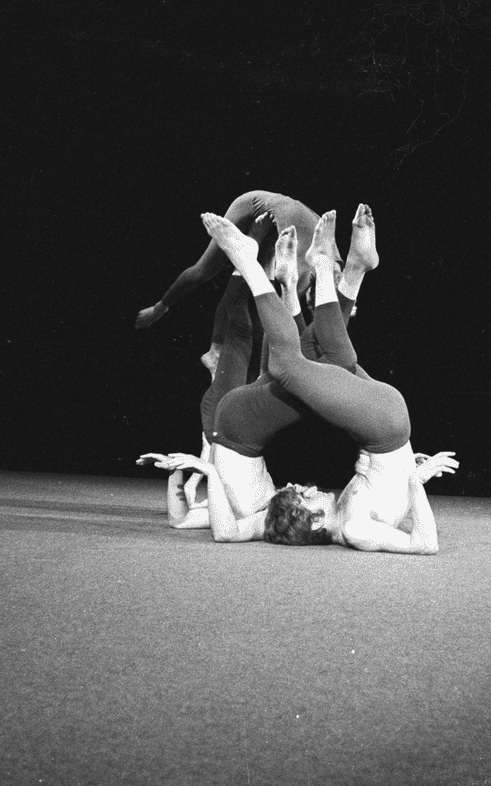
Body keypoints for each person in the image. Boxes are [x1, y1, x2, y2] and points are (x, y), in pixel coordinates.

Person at [153, 206, 458, 554]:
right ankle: (280, 266)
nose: (302, 487)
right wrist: (415, 483)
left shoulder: (310, 520)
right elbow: (424, 545)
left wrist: (183, 472)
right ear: (312, 520)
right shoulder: (354, 529)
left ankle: (339, 268)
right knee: (293, 366)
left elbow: (183, 520)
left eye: (298, 493)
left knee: (327, 361)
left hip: (382, 424)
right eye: (302, 496)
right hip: (381, 428)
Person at [139, 210, 375, 532]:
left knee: (328, 363)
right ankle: (293, 283)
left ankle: (261, 266)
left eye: (310, 497)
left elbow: (206, 528)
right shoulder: (268, 511)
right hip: (243, 419)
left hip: (241, 429)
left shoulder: (263, 522)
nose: (307, 488)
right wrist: (180, 473)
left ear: (307, 519)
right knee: (309, 366)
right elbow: (180, 521)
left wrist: (193, 471)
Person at [134, 190, 328, 331]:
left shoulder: (331, 268)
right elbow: (281, 320)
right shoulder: (307, 272)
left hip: (277, 225)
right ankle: (160, 307)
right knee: (202, 271)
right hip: (252, 206)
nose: (307, 304)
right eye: (311, 304)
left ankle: (217, 349)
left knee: (257, 290)